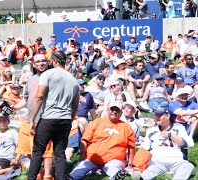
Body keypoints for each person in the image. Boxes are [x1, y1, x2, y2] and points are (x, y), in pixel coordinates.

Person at [28, 51, 79, 180]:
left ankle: (31, 178)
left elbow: (39, 96)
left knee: (38, 151)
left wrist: (32, 119)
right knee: (60, 153)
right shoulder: (73, 79)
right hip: (65, 119)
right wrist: (70, 119)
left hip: (48, 118)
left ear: (54, 61)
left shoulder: (47, 74)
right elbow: (75, 105)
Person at [68, 102, 135, 180]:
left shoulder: (126, 127)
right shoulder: (97, 122)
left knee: (114, 169)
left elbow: (131, 147)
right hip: (91, 158)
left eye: (117, 110)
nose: (114, 111)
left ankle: (117, 177)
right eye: (112, 109)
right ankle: (71, 177)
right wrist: (82, 156)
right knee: (78, 171)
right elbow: (85, 140)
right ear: (107, 110)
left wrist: (130, 165)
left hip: (114, 160)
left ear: (121, 113)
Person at [13, 54, 54, 179]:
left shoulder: (52, 77)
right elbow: (26, 99)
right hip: (29, 119)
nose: (41, 63)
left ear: (47, 62)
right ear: (34, 64)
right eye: (38, 62)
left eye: (43, 61)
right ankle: (38, 170)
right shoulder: (30, 79)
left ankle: (47, 175)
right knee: (26, 145)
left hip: (44, 118)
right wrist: (14, 107)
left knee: (47, 149)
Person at [138, 106, 194, 179]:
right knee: (149, 171)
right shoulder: (151, 131)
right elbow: (144, 149)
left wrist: (170, 135)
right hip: (157, 161)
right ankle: (141, 178)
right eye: (156, 115)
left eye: (160, 115)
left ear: (167, 116)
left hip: (177, 161)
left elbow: (185, 144)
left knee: (188, 167)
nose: (157, 117)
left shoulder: (179, 128)